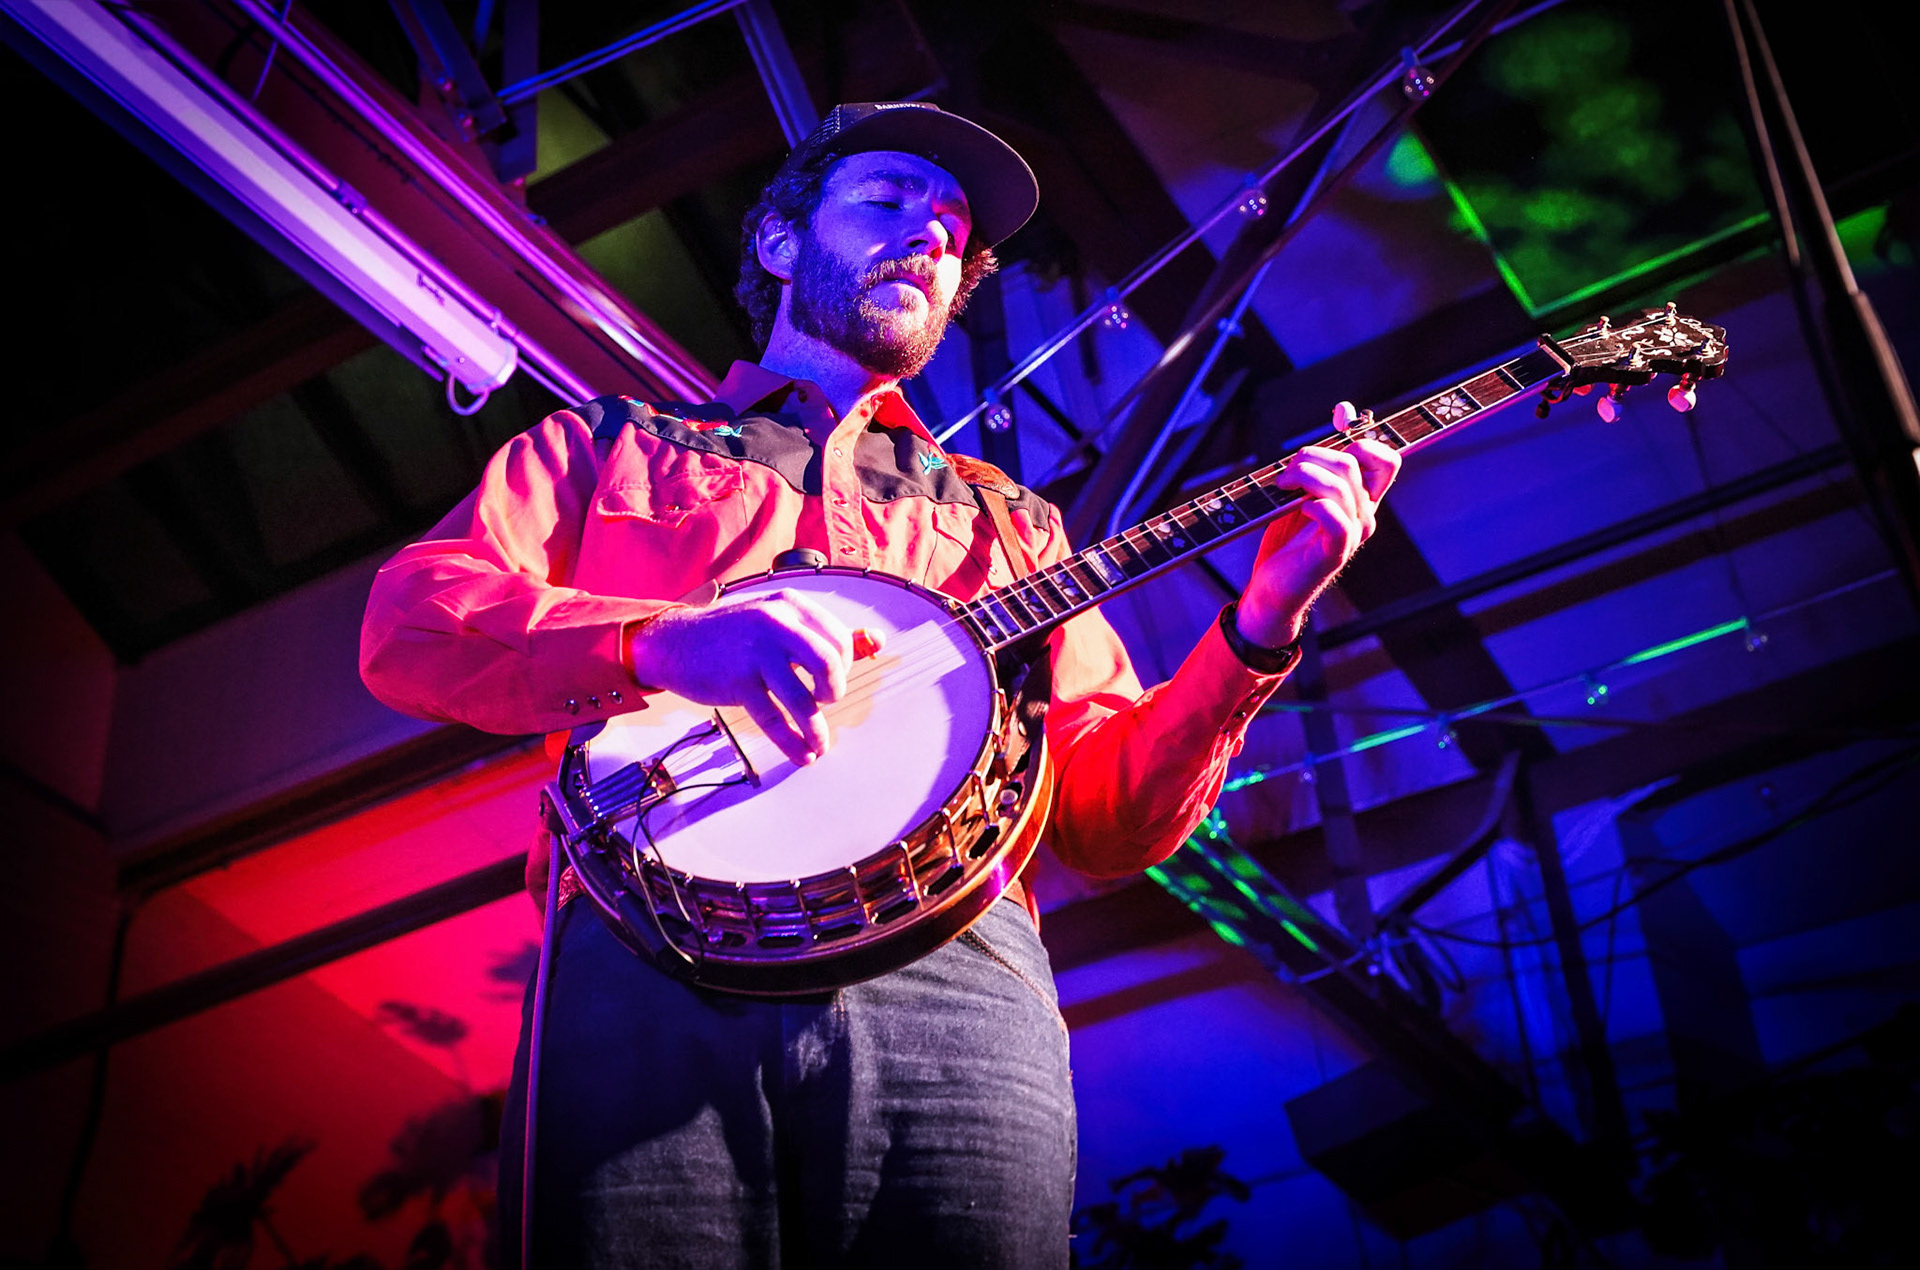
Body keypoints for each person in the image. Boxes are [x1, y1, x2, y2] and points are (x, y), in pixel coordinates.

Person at [359, 101, 1399, 1270]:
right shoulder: (611, 446)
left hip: (956, 972)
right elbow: (409, 622)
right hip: (646, 949)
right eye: (888, 200)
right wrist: (660, 645)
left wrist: (1261, 624)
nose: (928, 235)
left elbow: (1110, 822)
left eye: (952, 231)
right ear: (779, 242)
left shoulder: (1016, 526)